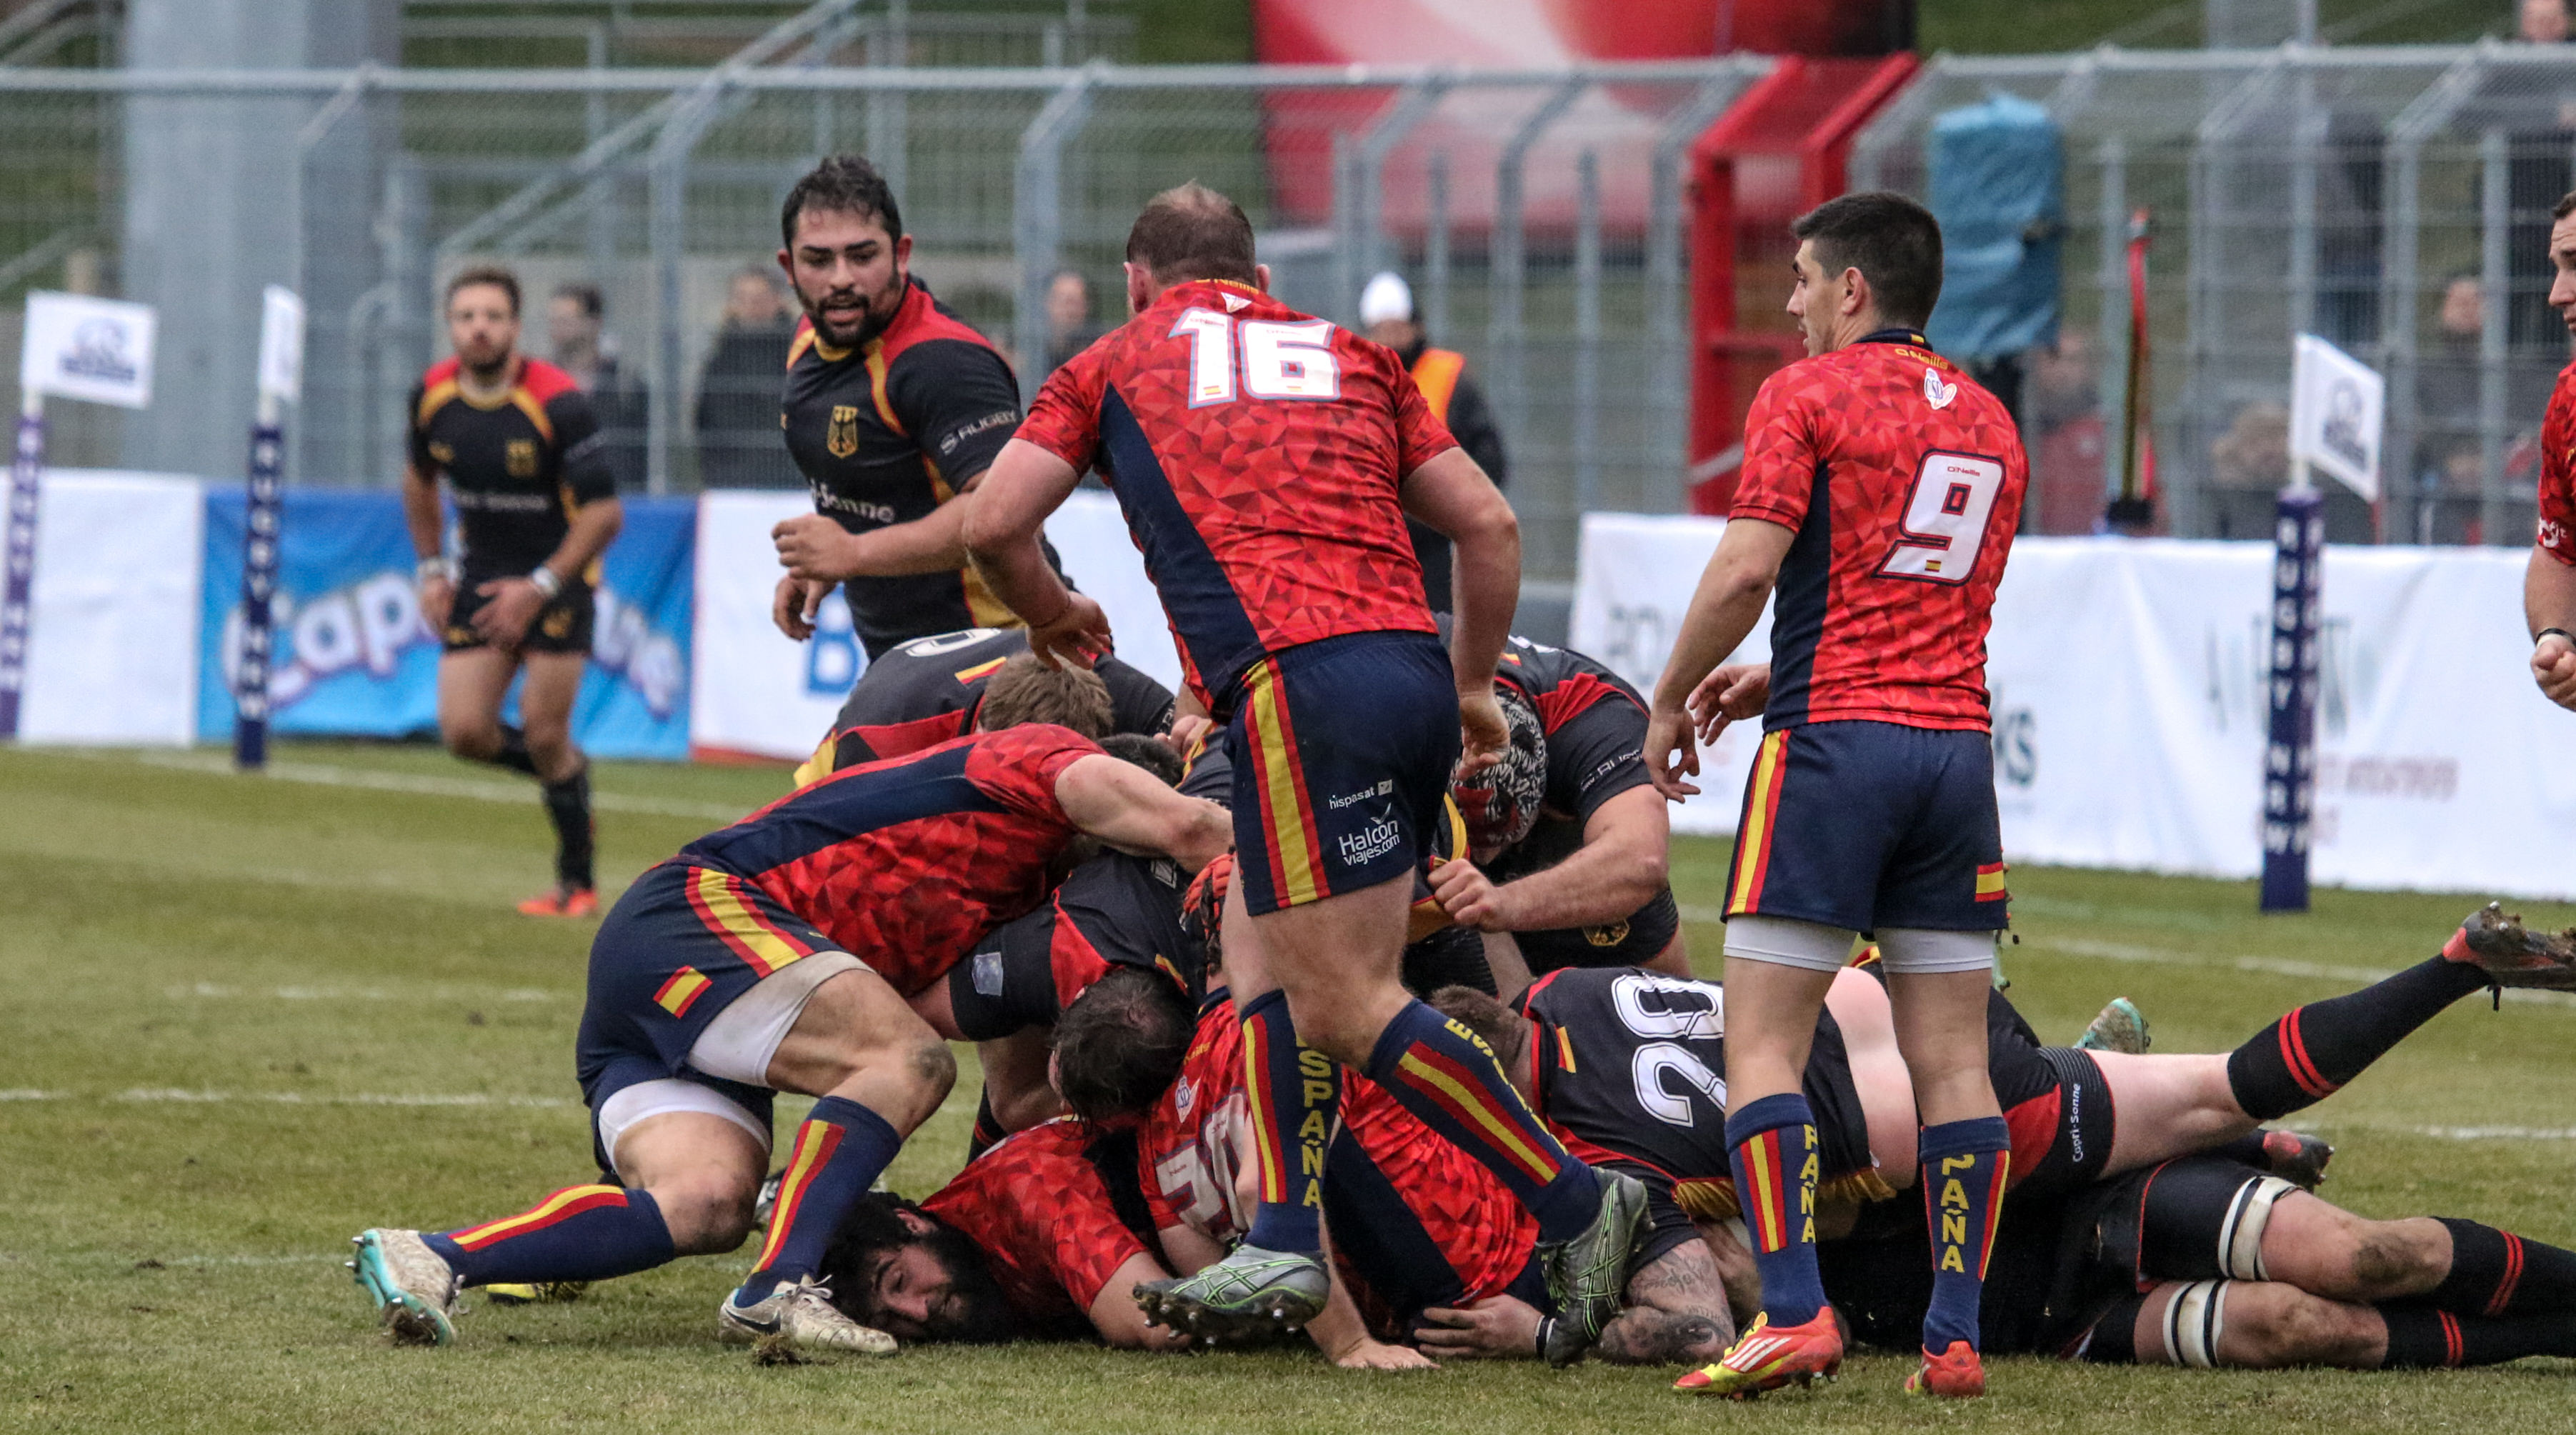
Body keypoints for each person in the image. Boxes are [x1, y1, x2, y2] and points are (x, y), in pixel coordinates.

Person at [964, 181, 1645, 1366]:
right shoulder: (1358, 355)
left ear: (1136, 284)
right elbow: (1489, 527)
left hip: (1294, 685)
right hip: (1407, 673)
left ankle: (1579, 1198)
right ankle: (1284, 1229)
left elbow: (990, 525)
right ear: (1263, 284)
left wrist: (1052, 608)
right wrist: (1472, 685)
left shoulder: (1112, 359)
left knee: (1342, 1000)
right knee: (1265, 943)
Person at [346, 723, 1232, 1356]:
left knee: (708, 1204)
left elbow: (1005, 1077)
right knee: (908, 1060)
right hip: (698, 913)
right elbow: (1190, 828)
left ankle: (434, 1255)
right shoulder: (1050, 762)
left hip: (684, 984)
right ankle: (778, 1286)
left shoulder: (1026, 896)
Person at [1642, 191, 2028, 1399]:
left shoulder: (1805, 395)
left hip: (1832, 756)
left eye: (1804, 279)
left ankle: (1795, 1313)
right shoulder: (1992, 419)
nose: (1792, 302)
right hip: (1954, 756)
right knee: (1953, 1062)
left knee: (1761, 1039)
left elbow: (1745, 568)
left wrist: (1670, 692)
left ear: (1852, 287)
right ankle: (1953, 1338)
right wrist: (1783, 668)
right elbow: (1917, 594)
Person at [768, 155, 1054, 661]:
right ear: (789, 267)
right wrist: (826, 561)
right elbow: (878, 484)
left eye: (862, 256)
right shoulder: (811, 337)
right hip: (905, 661)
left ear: (901, 254)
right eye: (818, 260)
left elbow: (1008, 516)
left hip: (1004, 653)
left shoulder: (942, 361)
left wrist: (855, 552)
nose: (840, 279)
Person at [404, 266, 624, 919]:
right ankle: (568, 778)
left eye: (493, 316)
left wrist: (540, 586)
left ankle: (576, 883)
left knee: (543, 730)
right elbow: (418, 481)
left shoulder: (558, 402)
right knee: (465, 731)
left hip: (559, 576)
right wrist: (432, 569)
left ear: (516, 327)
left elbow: (603, 514)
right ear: (450, 325)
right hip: (482, 571)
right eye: (467, 316)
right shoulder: (432, 396)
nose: (480, 328)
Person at [1427, 621, 1685, 986]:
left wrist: (1504, 903)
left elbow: (1641, 862)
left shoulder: (1596, 715)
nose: (1485, 857)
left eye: (1500, 839)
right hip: (1431, 780)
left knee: (1661, 993)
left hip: (1559, 827)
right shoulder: (1409, 661)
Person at [792, 631, 1174, 786]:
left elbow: (1196, 730)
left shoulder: (1093, 669)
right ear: (983, 735)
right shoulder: (877, 744)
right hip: (847, 763)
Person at [1359, 271, 1509, 614]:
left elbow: (1489, 459)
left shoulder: (1448, 377)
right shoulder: (1360, 378)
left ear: (1416, 327)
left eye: (1397, 329)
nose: (1390, 341)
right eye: (1380, 331)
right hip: (1377, 540)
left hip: (1435, 541)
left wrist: (1455, 512)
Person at [2529, 189, 2576, 711]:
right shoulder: (2570, 399)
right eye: (2558, 268)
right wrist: (2556, 638)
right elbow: (2559, 546)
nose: (2557, 294)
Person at [695, 266, 801, 489]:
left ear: (778, 300)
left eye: (760, 298)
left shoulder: (799, 353)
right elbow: (707, 421)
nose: (751, 305)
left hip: (791, 479)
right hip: (733, 480)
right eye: (742, 298)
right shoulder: (720, 358)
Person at [546, 283, 649, 492]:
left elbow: (640, 454)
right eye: (554, 320)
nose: (558, 328)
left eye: (566, 320)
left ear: (594, 323)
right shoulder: (543, 383)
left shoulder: (625, 385)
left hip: (618, 495)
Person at [1044, 269, 1105, 376]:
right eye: (1064, 301)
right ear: (1048, 303)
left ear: (1086, 306)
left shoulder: (1100, 351)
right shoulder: (1030, 349)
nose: (1070, 310)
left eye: (1075, 302)